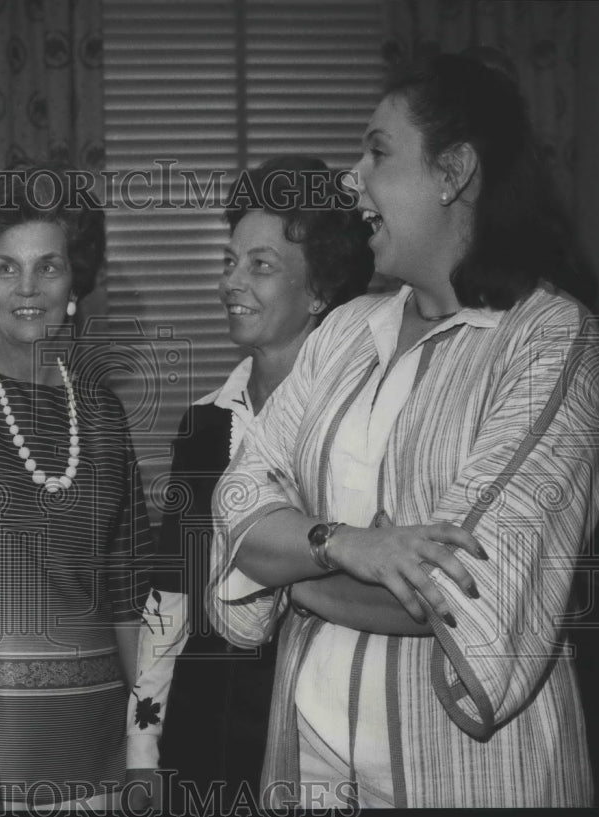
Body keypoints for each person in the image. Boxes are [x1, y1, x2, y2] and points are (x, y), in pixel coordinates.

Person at [208, 52, 599, 809]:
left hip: (472, 780)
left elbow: (470, 587)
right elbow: (234, 501)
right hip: (313, 775)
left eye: (378, 152)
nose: (353, 178)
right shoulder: (347, 330)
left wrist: (290, 566)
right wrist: (346, 544)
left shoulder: (548, 340)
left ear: (453, 171)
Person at [127, 156, 373, 810]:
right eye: (229, 261)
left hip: (319, 748)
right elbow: (169, 603)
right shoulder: (203, 424)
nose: (232, 282)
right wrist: (142, 751)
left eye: (260, 266)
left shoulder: (363, 425)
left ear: (321, 290)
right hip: (201, 749)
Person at [0, 166, 153, 811]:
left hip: (96, 737)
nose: (27, 288)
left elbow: (128, 592)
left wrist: (147, 746)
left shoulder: (105, 415)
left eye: (48, 267)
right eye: (7, 268)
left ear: (75, 287)